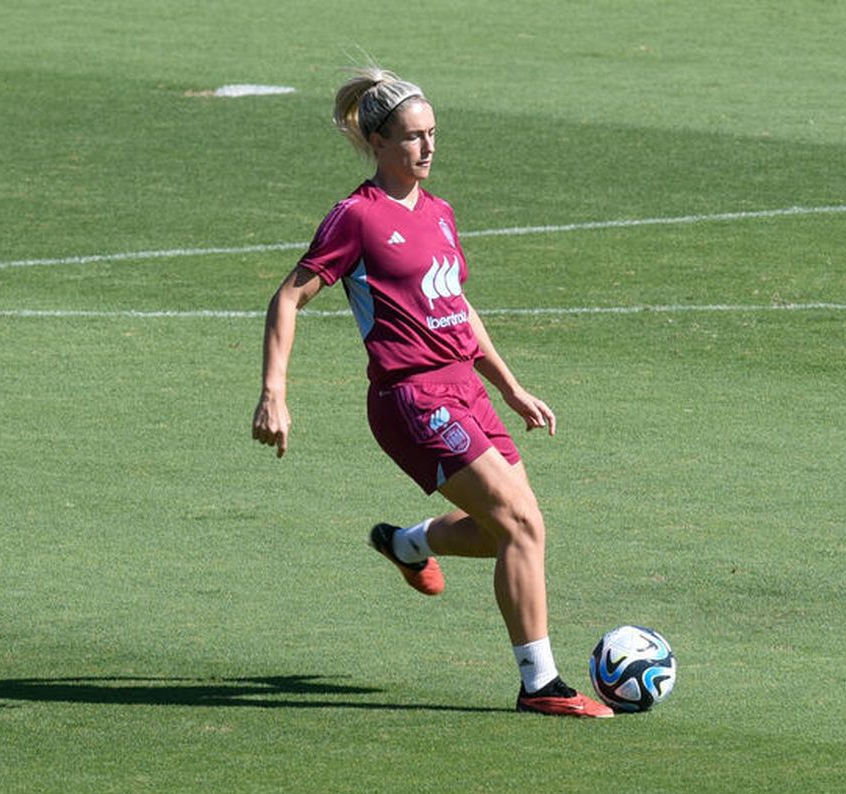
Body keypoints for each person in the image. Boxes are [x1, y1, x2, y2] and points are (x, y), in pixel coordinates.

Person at [250, 67, 612, 718]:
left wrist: (509, 387)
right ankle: (540, 685)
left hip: (465, 388)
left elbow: (457, 305)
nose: (428, 147)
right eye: (414, 136)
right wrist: (274, 392)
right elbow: (288, 297)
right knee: (521, 525)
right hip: (411, 397)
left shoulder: (439, 213)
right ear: (378, 142)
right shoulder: (356, 218)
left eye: (434, 134)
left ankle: (408, 543)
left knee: (512, 532)